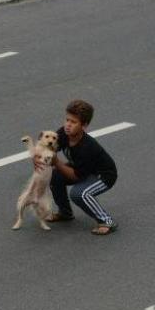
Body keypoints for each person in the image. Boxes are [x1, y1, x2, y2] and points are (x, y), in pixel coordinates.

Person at [39, 99, 119, 236]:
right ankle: (65, 213)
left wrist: (56, 162)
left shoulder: (86, 147)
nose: (68, 125)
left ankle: (107, 221)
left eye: (73, 122)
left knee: (79, 193)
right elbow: (47, 147)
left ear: (84, 125)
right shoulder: (63, 134)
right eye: (67, 120)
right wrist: (39, 157)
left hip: (103, 176)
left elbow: (76, 176)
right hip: (84, 170)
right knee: (54, 174)